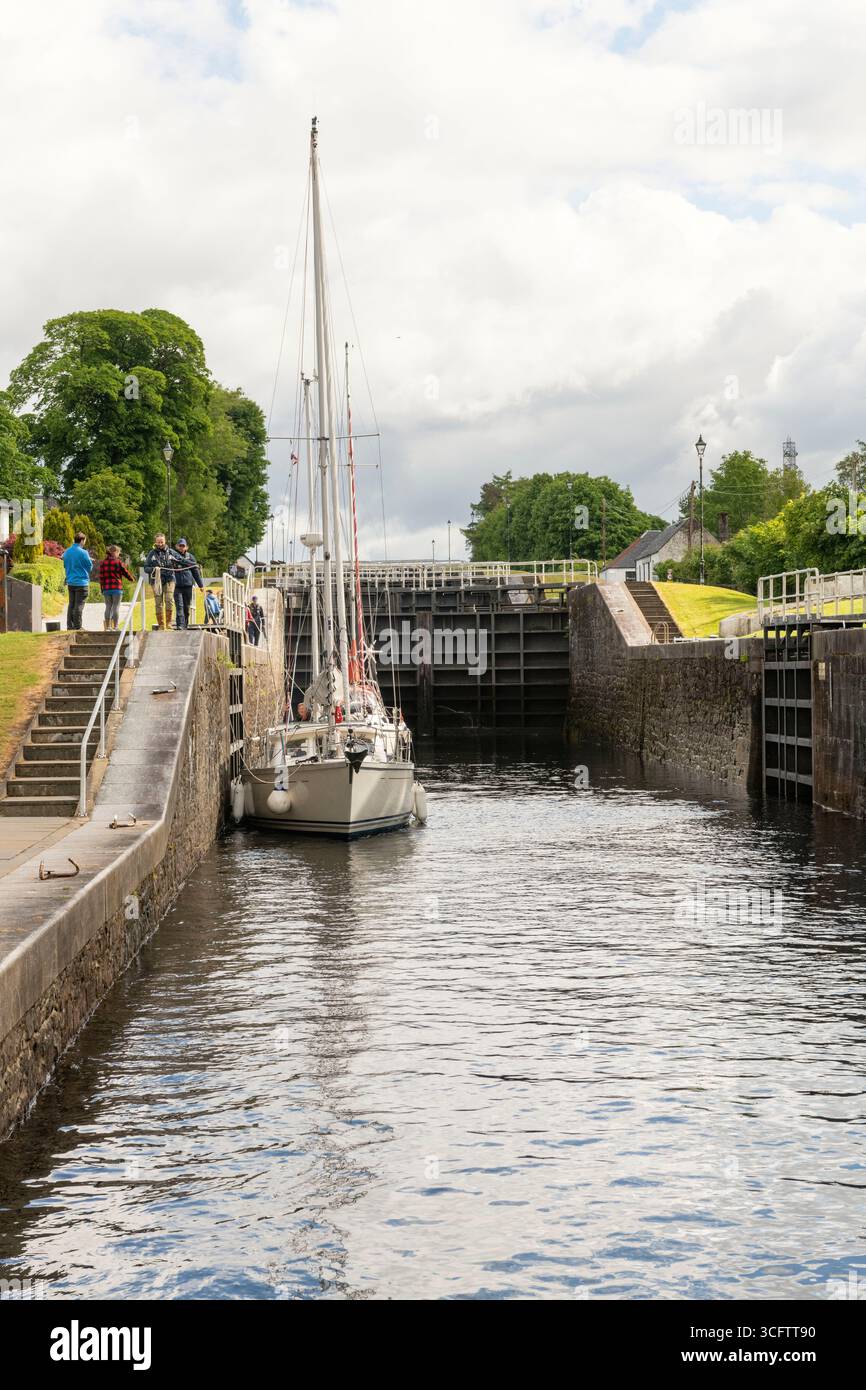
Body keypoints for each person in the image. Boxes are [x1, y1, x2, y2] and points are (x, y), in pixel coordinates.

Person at [143, 533, 181, 630]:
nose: (160, 544)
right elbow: (146, 568)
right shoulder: (151, 554)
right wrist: (154, 569)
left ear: (165, 541)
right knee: (158, 603)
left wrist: (192, 564)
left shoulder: (171, 552)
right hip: (156, 580)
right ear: (155, 542)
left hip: (169, 579)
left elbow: (181, 560)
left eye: (162, 542)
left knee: (169, 600)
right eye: (158, 542)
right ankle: (161, 624)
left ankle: (168, 623)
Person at [97, 544, 136, 631]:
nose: (119, 554)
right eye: (119, 552)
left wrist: (102, 589)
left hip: (106, 588)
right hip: (116, 588)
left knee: (108, 607)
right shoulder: (118, 562)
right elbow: (125, 572)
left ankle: (108, 627)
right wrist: (132, 579)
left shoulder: (103, 563)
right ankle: (115, 626)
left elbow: (101, 578)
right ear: (115, 552)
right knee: (116, 607)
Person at [62, 531, 93, 631]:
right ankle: (78, 626)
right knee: (79, 605)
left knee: (71, 604)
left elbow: (65, 565)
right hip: (81, 582)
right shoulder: (84, 552)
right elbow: (89, 567)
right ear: (82, 540)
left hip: (71, 582)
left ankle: (69, 626)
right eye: (84, 541)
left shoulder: (67, 552)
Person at [172, 537, 204, 630]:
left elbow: (195, 572)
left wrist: (201, 585)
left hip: (188, 586)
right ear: (176, 546)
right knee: (179, 606)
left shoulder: (190, 557)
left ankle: (185, 625)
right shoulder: (173, 557)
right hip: (176, 586)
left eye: (183, 546)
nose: (181, 547)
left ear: (186, 547)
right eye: (180, 546)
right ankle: (180, 625)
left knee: (186, 607)